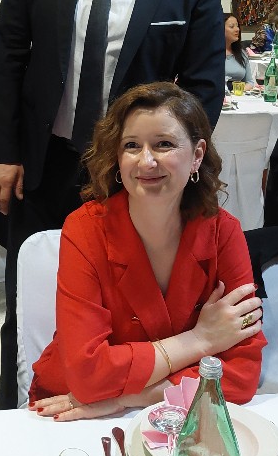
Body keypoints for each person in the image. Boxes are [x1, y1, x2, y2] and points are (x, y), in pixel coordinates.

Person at [0, 0, 224, 409]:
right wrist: (1, 151)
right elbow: (8, 53)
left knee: (119, 309)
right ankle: (17, 413)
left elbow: (204, 87)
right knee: (30, 304)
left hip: (132, 175)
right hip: (42, 163)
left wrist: (172, 167)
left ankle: (111, 410)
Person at [28, 83, 264, 418]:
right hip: (72, 410)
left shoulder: (224, 233)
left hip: (146, 410)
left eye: (164, 144)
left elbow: (243, 374)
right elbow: (86, 374)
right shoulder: (85, 229)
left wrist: (130, 397)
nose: (146, 161)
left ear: (197, 155)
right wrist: (200, 340)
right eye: (131, 146)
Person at [224, 13, 254, 89]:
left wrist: (238, 92)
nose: (237, 29)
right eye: (232, 26)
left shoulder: (242, 53)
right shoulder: (212, 54)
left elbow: (250, 82)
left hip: (238, 93)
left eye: (237, 26)